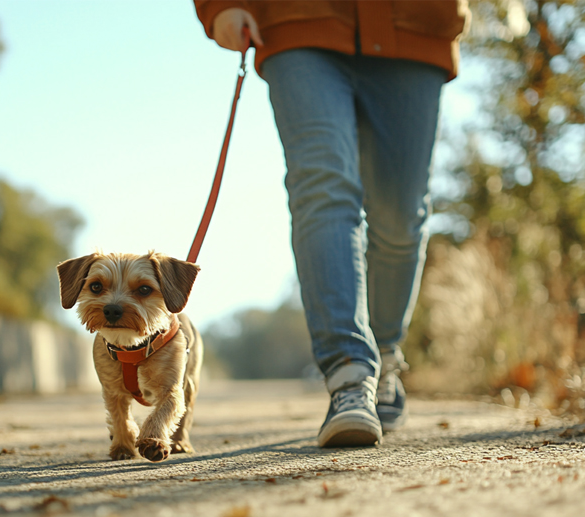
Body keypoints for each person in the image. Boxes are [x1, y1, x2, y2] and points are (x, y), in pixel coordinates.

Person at [194, 1, 469, 447]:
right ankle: (350, 375)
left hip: (416, 24)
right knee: (322, 186)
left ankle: (382, 353)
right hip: (297, 23)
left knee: (400, 213)